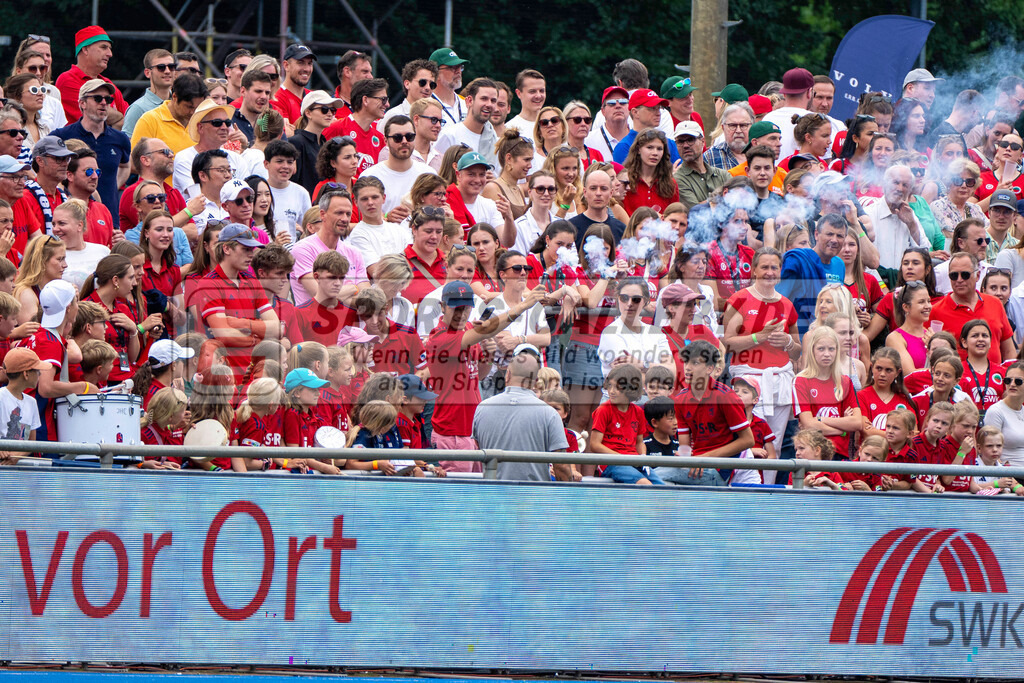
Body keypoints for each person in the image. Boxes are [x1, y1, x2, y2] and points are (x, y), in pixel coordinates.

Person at [426, 280, 544, 467]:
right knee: (459, 494)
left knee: (477, 492)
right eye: (455, 308)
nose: (461, 314)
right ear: (442, 307)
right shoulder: (440, 336)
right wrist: (522, 306)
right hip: (452, 432)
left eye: (466, 308)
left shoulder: (466, 331)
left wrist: (488, 354)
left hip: (471, 430)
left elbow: (480, 374)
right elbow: (489, 328)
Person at [723, 246, 800, 450]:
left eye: (774, 267)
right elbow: (727, 343)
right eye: (764, 267)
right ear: (754, 270)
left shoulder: (786, 304)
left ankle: (770, 483)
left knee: (773, 444)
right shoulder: (739, 299)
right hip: (748, 379)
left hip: (779, 380)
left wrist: (788, 342)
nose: (770, 272)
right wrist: (759, 337)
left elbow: (797, 351)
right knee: (750, 443)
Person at [472, 347, 572, 481]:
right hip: (534, 497)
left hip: (492, 496)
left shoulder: (482, 408)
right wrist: (566, 497)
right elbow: (562, 466)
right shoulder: (549, 414)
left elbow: (479, 450)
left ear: (507, 375)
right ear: (536, 381)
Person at [197, 224, 281, 380]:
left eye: (252, 250)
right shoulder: (208, 283)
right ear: (227, 249)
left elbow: (276, 328)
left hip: (254, 371)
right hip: (225, 374)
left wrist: (243, 325)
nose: (251, 255)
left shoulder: (251, 280)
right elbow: (224, 335)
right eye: (245, 249)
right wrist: (258, 336)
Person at [672, 340, 756, 486]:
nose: (688, 368)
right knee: (660, 481)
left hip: (718, 468)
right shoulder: (680, 399)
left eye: (695, 363)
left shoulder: (726, 396)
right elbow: (684, 445)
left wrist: (703, 459)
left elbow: (748, 440)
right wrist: (686, 457)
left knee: (654, 477)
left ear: (710, 368)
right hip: (695, 465)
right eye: (686, 363)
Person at [51, 79, 130, 228]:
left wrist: (114, 185)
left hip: (109, 216)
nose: (104, 103)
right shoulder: (61, 136)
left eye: (108, 99)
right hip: (72, 218)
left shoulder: (120, 138)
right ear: (82, 103)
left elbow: (126, 166)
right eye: (98, 98)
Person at [931, 252, 1015, 366]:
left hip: (994, 380)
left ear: (978, 275)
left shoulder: (995, 303)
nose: (959, 280)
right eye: (954, 275)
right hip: (957, 381)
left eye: (965, 275)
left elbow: (1009, 350)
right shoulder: (936, 311)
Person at [289, 188, 367, 306]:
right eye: (339, 213)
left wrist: (336, 295)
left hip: (350, 323)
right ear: (322, 214)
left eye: (348, 214)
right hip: (314, 323)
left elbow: (367, 299)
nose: (345, 219)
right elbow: (322, 298)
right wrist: (354, 288)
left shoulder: (354, 252)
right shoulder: (303, 249)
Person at [793, 325, 862, 458]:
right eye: (821, 349)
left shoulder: (845, 381)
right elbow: (808, 425)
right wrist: (842, 429)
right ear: (812, 350)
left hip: (839, 453)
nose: (826, 354)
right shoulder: (801, 380)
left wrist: (820, 419)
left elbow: (857, 423)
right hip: (813, 454)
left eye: (831, 349)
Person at [596, 275, 672, 379]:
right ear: (618, 299)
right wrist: (660, 371)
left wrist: (642, 365)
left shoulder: (656, 333)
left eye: (636, 299)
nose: (629, 303)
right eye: (624, 298)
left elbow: (672, 372)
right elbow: (628, 378)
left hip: (654, 394)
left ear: (645, 301)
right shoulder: (610, 332)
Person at [54, 26, 128, 124]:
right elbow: (93, 117)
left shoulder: (108, 83)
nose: (110, 54)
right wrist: (119, 117)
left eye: (109, 49)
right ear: (85, 50)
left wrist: (115, 118)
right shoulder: (67, 80)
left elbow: (130, 120)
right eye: (104, 47)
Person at [363, 115, 434, 216]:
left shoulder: (429, 174)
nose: (404, 141)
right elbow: (364, 217)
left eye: (409, 137)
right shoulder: (369, 176)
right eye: (397, 138)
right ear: (386, 141)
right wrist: (387, 217)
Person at [172, 98, 243, 197]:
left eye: (227, 123)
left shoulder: (236, 158)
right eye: (217, 123)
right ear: (200, 127)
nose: (224, 127)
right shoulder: (185, 158)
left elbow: (244, 195)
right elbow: (198, 196)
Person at [864, 166, 929, 272]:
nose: (900, 188)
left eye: (905, 185)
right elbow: (864, 257)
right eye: (896, 182)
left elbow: (924, 252)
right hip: (876, 284)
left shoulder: (910, 215)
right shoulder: (869, 214)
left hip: (904, 283)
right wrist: (881, 285)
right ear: (885, 184)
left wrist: (911, 225)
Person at [346, 176, 411, 276]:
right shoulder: (358, 235)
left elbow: (415, 263)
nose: (370, 202)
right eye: (364, 199)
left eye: (375, 197)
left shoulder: (399, 230)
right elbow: (378, 273)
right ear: (356, 202)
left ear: (383, 198)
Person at [129, 73, 209, 155]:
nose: (193, 112)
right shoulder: (149, 120)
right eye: (189, 107)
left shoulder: (204, 122)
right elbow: (135, 161)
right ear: (174, 97)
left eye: (198, 107)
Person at [446, 151, 512, 244]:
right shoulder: (445, 202)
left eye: (482, 174)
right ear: (458, 175)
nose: (477, 180)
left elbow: (506, 242)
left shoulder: (490, 205)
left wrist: (509, 218)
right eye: (471, 174)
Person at [323, 77, 390, 163]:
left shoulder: (380, 139)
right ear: (365, 100)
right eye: (383, 99)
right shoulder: (336, 128)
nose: (387, 104)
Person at [287, 90, 341, 195]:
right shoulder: (296, 142)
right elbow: (292, 181)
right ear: (308, 113)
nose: (330, 113)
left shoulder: (325, 143)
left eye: (332, 110)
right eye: (324, 109)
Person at [0, 347, 48, 457]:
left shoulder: (32, 402)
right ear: (26, 374)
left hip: (19, 469)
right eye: (37, 370)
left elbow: (32, 442)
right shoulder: (1, 397)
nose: (39, 374)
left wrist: (17, 455)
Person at [612, 89, 680, 165]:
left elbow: (679, 172)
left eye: (659, 108)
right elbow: (625, 176)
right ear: (635, 112)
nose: (658, 113)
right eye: (652, 108)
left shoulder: (670, 144)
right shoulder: (624, 146)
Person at [52, 198, 108, 289]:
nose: (55, 229)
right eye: (53, 224)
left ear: (79, 225)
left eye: (61, 223)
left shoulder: (103, 251)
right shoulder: (50, 256)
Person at [621, 129, 678, 215]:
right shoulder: (625, 180)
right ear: (638, 149)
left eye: (659, 149)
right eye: (650, 147)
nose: (655, 153)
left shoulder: (670, 183)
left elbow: (674, 215)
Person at [263, 139, 312, 241]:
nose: (285, 166)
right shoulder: (258, 190)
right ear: (266, 164)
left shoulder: (301, 193)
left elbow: (309, 229)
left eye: (290, 162)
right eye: (279, 161)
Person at [673, 121, 729, 208]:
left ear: (703, 141)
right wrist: (723, 199)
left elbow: (737, 202)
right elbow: (695, 210)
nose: (685, 145)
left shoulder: (723, 174)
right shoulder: (677, 179)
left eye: (690, 140)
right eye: (680, 141)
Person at [762, 68, 815, 158]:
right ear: (809, 92)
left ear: (784, 94)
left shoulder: (767, 118)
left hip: (771, 171)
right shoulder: (816, 121)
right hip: (803, 171)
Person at [123, 49, 175, 137]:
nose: (167, 71)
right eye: (161, 67)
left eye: (171, 66)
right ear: (147, 73)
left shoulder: (181, 103)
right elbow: (128, 146)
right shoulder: (137, 109)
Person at [481, 129, 532, 219]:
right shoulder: (493, 188)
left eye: (531, 160)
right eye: (526, 160)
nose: (530, 166)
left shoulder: (519, 189)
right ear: (509, 158)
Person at [568, 169, 626, 247]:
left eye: (603, 189)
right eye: (593, 188)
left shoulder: (621, 229)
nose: (598, 193)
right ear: (585, 192)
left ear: (611, 193)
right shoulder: (571, 228)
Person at [982, 361, 1024, 467]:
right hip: (1009, 476)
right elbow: (990, 452)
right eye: (1008, 380)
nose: (1012, 384)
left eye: (1018, 381)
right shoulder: (996, 411)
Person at [380, 59, 438, 130]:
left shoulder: (438, 117)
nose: (428, 88)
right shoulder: (393, 115)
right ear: (407, 84)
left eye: (432, 84)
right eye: (422, 82)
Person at [512, 171, 556, 254]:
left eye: (551, 189)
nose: (546, 194)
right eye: (540, 189)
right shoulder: (519, 227)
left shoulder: (561, 224)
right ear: (530, 192)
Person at [271, 44, 315, 125]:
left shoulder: (314, 96)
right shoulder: (277, 97)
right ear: (286, 65)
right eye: (301, 63)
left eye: (309, 63)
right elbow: (285, 134)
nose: (306, 69)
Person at [584, 86, 630, 161]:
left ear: (630, 108)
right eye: (611, 103)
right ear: (603, 111)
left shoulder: (639, 139)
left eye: (623, 102)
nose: (618, 106)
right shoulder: (588, 140)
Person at [312, 135, 361, 205]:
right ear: (333, 163)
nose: (355, 161)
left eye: (355, 156)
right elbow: (317, 214)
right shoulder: (324, 188)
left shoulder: (360, 186)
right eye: (347, 157)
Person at [704, 103, 753, 171]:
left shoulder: (763, 154)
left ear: (752, 127)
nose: (738, 131)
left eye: (743, 125)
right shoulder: (710, 157)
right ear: (723, 128)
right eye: (732, 125)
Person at [428, 47, 469, 127]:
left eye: (460, 67)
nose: (458, 71)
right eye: (452, 68)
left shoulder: (467, 105)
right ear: (435, 73)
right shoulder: (424, 106)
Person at [232, 69, 274, 145]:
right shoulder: (229, 121)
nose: (264, 96)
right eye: (258, 91)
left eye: (267, 93)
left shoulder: (272, 123)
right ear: (243, 91)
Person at [563, 101, 602, 168]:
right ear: (565, 122)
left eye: (587, 120)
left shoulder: (596, 154)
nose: (583, 124)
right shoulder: (560, 153)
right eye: (577, 120)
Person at [334, 50, 373, 116]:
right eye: (365, 71)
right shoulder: (329, 108)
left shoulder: (375, 109)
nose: (371, 77)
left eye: (370, 72)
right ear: (347, 72)